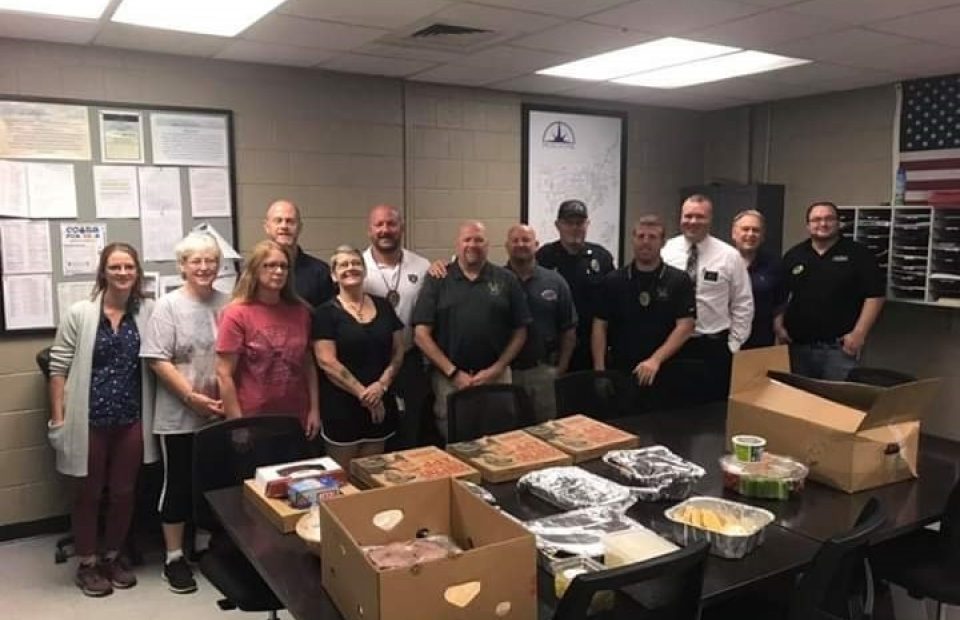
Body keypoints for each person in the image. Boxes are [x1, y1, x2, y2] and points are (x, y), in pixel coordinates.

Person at [47, 243, 157, 597]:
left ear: (137, 272)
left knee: (124, 493)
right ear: (103, 272)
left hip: (130, 417)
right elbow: (58, 368)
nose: (123, 273)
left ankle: (112, 556)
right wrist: (58, 420)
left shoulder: (148, 313)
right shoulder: (80, 313)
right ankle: (87, 563)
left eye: (129, 267)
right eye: (115, 267)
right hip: (88, 419)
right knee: (89, 494)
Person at [141, 232, 229, 594]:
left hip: (220, 411)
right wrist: (192, 398)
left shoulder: (228, 302)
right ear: (183, 266)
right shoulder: (168, 306)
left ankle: (204, 547)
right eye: (196, 261)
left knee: (213, 480)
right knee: (177, 483)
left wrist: (224, 402)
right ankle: (174, 557)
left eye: (211, 260)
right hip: (179, 414)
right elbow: (157, 359)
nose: (205, 267)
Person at [412, 221, 531, 439]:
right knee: (457, 443)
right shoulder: (438, 279)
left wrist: (497, 368)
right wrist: (453, 373)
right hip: (449, 380)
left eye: (479, 240)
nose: (472, 245)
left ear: (488, 245)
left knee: (501, 441)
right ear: (457, 244)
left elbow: (520, 331)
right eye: (467, 239)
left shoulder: (506, 279)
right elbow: (421, 335)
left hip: (497, 378)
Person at [215, 239, 320, 438]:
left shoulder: (300, 311)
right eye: (270, 265)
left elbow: (308, 364)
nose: (278, 271)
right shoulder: (236, 314)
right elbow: (224, 374)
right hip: (253, 418)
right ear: (255, 270)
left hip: (296, 416)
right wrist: (237, 424)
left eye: (283, 266)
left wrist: (314, 410)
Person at [313, 246, 404, 467]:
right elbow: (327, 362)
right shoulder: (324, 313)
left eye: (356, 263)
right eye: (343, 265)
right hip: (342, 407)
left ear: (364, 270)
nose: (350, 268)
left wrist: (381, 386)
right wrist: (365, 395)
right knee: (341, 476)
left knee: (373, 472)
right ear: (334, 275)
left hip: (381, 401)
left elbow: (398, 350)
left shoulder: (384, 306)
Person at [593, 216, 696, 411]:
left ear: (662, 242)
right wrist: (599, 371)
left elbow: (686, 326)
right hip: (622, 371)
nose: (646, 242)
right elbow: (600, 325)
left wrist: (655, 360)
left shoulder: (678, 280)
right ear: (633, 239)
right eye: (640, 236)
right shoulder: (614, 280)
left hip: (665, 369)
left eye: (652, 237)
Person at [776, 201, 886, 380]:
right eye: (816, 220)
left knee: (836, 396)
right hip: (798, 346)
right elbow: (780, 294)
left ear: (838, 223)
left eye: (829, 219)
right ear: (808, 225)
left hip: (841, 347)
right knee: (798, 395)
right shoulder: (794, 255)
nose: (823, 224)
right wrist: (779, 327)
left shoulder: (858, 254)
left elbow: (875, 296)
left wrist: (859, 333)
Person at [662, 194, 754, 404]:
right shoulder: (666, 251)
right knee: (670, 409)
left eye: (700, 217)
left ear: (710, 219)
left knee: (712, 411)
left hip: (712, 347)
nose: (693, 221)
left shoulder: (729, 256)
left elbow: (743, 303)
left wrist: (734, 344)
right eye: (688, 216)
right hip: (672, 346)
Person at [362, 205, 431, 450]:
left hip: (409, 362)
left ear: (401, 228)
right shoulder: (356, 266)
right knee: (374, 431)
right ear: (369, 230)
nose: (385, 230)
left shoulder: (422, 266)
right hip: (370, 364)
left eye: (391, 224)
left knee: (410, 431)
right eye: (379, 225)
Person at [505, 224, 577, 421]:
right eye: (515, 240)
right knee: (507, 431)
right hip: (506, 373)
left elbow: (569, 330)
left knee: (547, 431)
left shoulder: (555, 281)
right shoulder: (497, 281)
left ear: (536, 245)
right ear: (507, 246)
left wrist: (560, 369)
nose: (521, 244)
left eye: (526, 240)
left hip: (543, 372)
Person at [536, 199, 615, 372]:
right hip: (555, 349)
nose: (574, 228)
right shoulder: (544, 257)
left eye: (579, 223)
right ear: (558, 225)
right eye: (569, 223)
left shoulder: (601, 257)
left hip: (592, 346)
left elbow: (612, 304)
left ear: (587, 224)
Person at [263, 199, 334, 309]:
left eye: (290, 221)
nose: (284, 226)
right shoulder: (252, 270)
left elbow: (328, 316)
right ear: (267, 227)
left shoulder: (320, 272)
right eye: (278, 221)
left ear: (299, 227)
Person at [731, 209, 786, 349]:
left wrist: (779, 330)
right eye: (745, 229)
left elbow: (779, 303)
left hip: (761, 340)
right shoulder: (721, 261)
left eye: (756, 230)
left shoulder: (774, 265)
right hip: (724, 339)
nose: (750, 234)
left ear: (762, 236)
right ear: (734, 233)